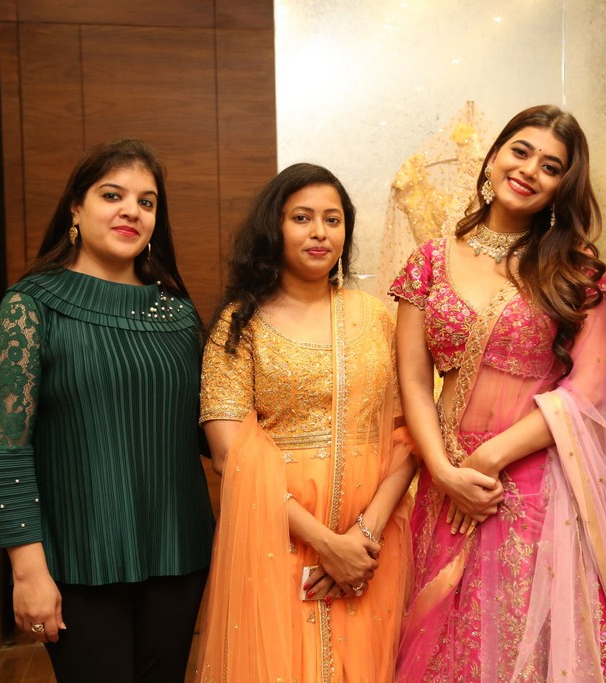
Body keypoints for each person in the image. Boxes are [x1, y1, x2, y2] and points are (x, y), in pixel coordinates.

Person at [391, 104, 606, 682]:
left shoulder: (576, 270)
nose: (530, 170)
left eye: (551, 166)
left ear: (563, 186)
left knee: (517, 650)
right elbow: (413, 381)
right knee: (440, 646)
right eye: (521, 151)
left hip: (532, 484)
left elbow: (586, 392)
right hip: (444, 480)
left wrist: (487, 460)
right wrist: (445, 471)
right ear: (494, 156)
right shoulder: (429, 261)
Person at [0, 139, 215, 682]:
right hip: (76, 562)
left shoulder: (176, 312)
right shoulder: (31, 306)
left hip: (179, 556)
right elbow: (4, 452)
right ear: (75, 209)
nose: (132, 210)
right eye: (113, 195)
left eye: (147, 202)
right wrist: (27, 572)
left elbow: (208, 430)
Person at [196, 163, 415, 682]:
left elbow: (408, 434)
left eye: (332, 220)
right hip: (277, 534)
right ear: (274, 226)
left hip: (373, 542)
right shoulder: (240, 324)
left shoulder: (374, 317)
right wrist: (328, 544)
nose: (320, 232)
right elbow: (228, 455)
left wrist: (362, 538)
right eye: (302, 218)